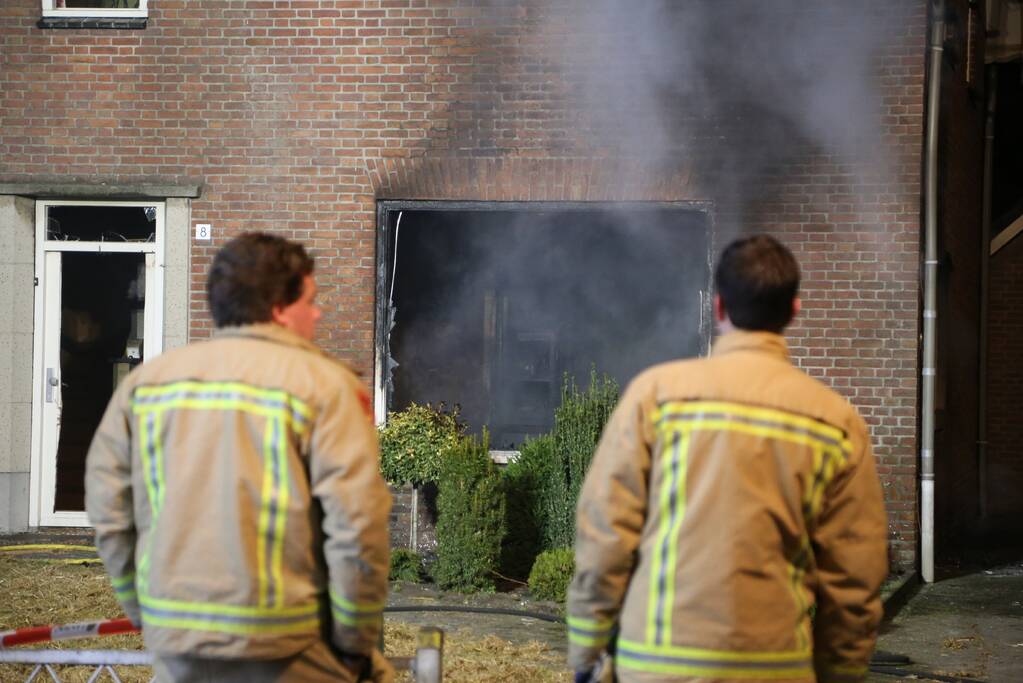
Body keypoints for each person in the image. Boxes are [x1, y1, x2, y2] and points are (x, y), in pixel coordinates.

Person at [567, 234, 888, 683]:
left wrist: (586, 645)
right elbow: (855, 575)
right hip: (776, 670)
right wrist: (841, 671)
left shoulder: (656, 397)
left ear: (719, 308)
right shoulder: (837, 423)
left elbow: (605, 532)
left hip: (656, 666)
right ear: (793, 311)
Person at [86, 232, 393, 682]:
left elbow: (108, 512)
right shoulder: (326, 387)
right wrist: (354, 644)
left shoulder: (145, 386)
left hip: (176, 643)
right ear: (277, 308)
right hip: (283, 643)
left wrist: (145, 612)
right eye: (310, 299)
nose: (318, 311)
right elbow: (358, 527)